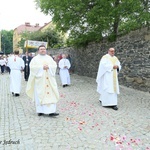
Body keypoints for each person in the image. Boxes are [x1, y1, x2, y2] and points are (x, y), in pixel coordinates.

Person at [26, 45, 60, 117]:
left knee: (51, 94)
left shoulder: (49, 58)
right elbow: (32, 68)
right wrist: (42, 67)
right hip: (40, 80)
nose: (42, 50)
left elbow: (54, 66)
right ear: (38, 50)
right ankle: (40, 110)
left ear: (46, 50)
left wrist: (49, 67)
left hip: (49, 80)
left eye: (44, 49)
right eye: (41, 49)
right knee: (40, 94)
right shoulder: (35, 59)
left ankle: (51, 111)